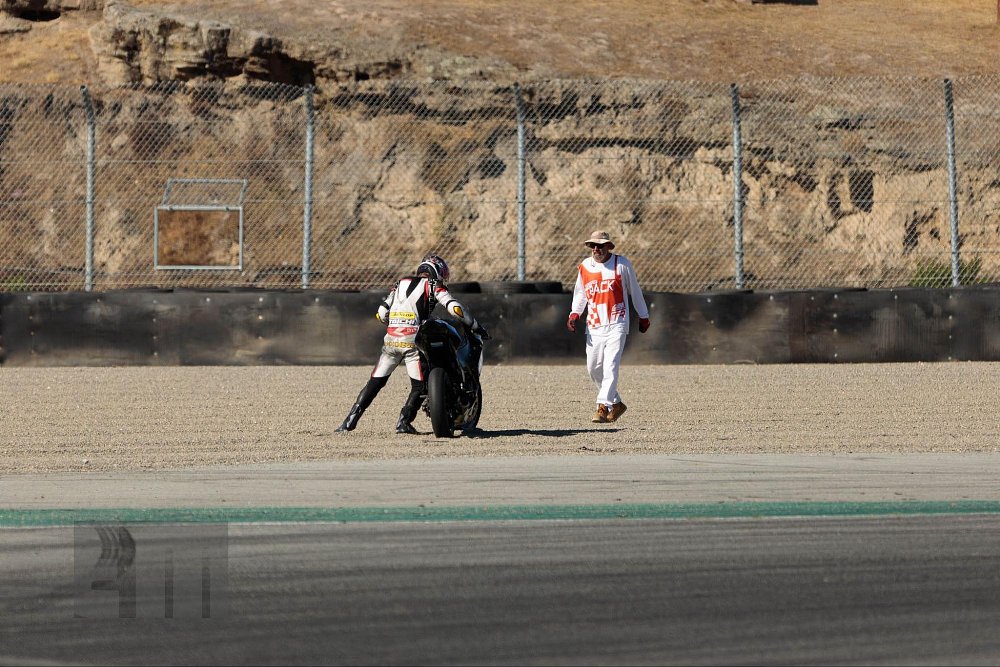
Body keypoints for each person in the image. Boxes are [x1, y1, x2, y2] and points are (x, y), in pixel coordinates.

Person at [337, 253, 488, 434]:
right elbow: (455, 308)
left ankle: (349, 420)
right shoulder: (432, 285)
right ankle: (404, 421)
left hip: (391, 339)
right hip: (412, 341)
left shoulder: (399, 284)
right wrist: (475, 325)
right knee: (420, 386)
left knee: (375, 382)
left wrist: (396, 324)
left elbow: (381, 313)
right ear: (438, 272)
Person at [566, 230, 651, 424]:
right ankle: (617, 404)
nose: (597, 249)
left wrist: (643, 315)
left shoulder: (621, 265)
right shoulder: (585, 267)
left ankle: (602, 406)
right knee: (594, 369)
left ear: (608, 247)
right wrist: (574, 313)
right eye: (593, 246)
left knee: (610, 364)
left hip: (617, 322)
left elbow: (635, 291)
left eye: (601, 245)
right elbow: (581, 294)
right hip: (594, 325)